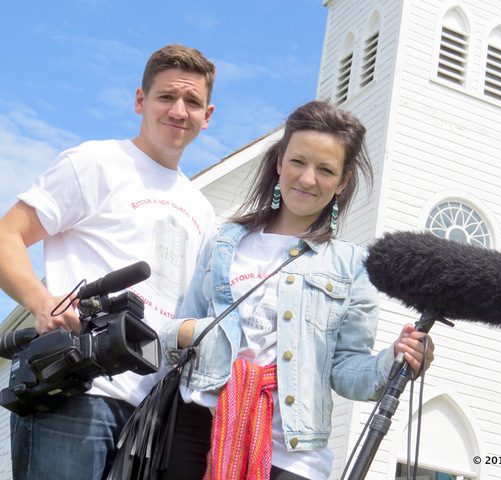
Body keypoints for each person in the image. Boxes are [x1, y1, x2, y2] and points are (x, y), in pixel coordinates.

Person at [159, 100, 435, 480]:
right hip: (197, 425)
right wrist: (194, 333)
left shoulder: (351, 266)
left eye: (325, 170)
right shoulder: (225, 241)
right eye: (298, 162)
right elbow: (176, 330)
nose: (307, 179)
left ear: (342, 182)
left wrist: (394, 358)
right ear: (279, 163)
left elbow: (345, 370)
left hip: (292, 451)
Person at [0, 44, 217, 479]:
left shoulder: (202, 209)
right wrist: (42, 301)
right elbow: (8, 234)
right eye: (166, 97)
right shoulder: (95, 163)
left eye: (192, 102)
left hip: (152, 413)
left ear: (207, 115)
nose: (179, 110)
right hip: (79, 389)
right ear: (140, 100)